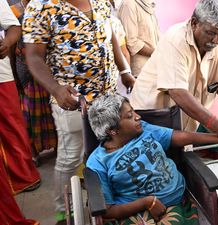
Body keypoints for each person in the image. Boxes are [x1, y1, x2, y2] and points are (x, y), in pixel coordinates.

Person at [22, 0, 135, 222]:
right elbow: (33, 56)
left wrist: (125, 70)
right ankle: (64, 211)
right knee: (71, 157)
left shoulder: (101, 2)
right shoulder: (40, 6)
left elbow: (110, 34)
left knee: (110, 150)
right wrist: (56, 89)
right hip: (72, 101)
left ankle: (107, 202)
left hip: (108, 97)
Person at [86, 94, 218, 224]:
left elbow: (179, 137)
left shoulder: (143, 129)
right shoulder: (98, 162)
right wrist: (146, 202)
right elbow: (107, 211)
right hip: (138, 211)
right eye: (129, 116)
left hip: (180, 200)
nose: (137, 117)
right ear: (112, 131)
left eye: (133, 111)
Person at [131, 0, 218, 147]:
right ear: (194, 23)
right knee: (153, 158)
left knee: (177, 161)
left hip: (182, 119)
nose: (216, 40)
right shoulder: (176, 40)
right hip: (153, 114)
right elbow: (177, 91)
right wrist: (216, 125)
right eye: (210, 33)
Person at [9, 0, 58, 167]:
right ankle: (33, 153)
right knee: (29, 115)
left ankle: (59, 149)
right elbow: (12, 48)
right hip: (27, 73)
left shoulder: (49, 8)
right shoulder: (14, 12)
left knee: (54, 113)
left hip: (49, 72)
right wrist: (15, 76)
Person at [0, 0, 41, 194]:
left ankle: (25, 177)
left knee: (12, 125)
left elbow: (13, 27)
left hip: (3, 75)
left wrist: (6, 43)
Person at [118, 0, 160, 78]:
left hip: (154, 70)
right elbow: (132, 43)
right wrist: (159, 54)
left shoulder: (149, 5)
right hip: (140, 74)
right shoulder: (129, 4)